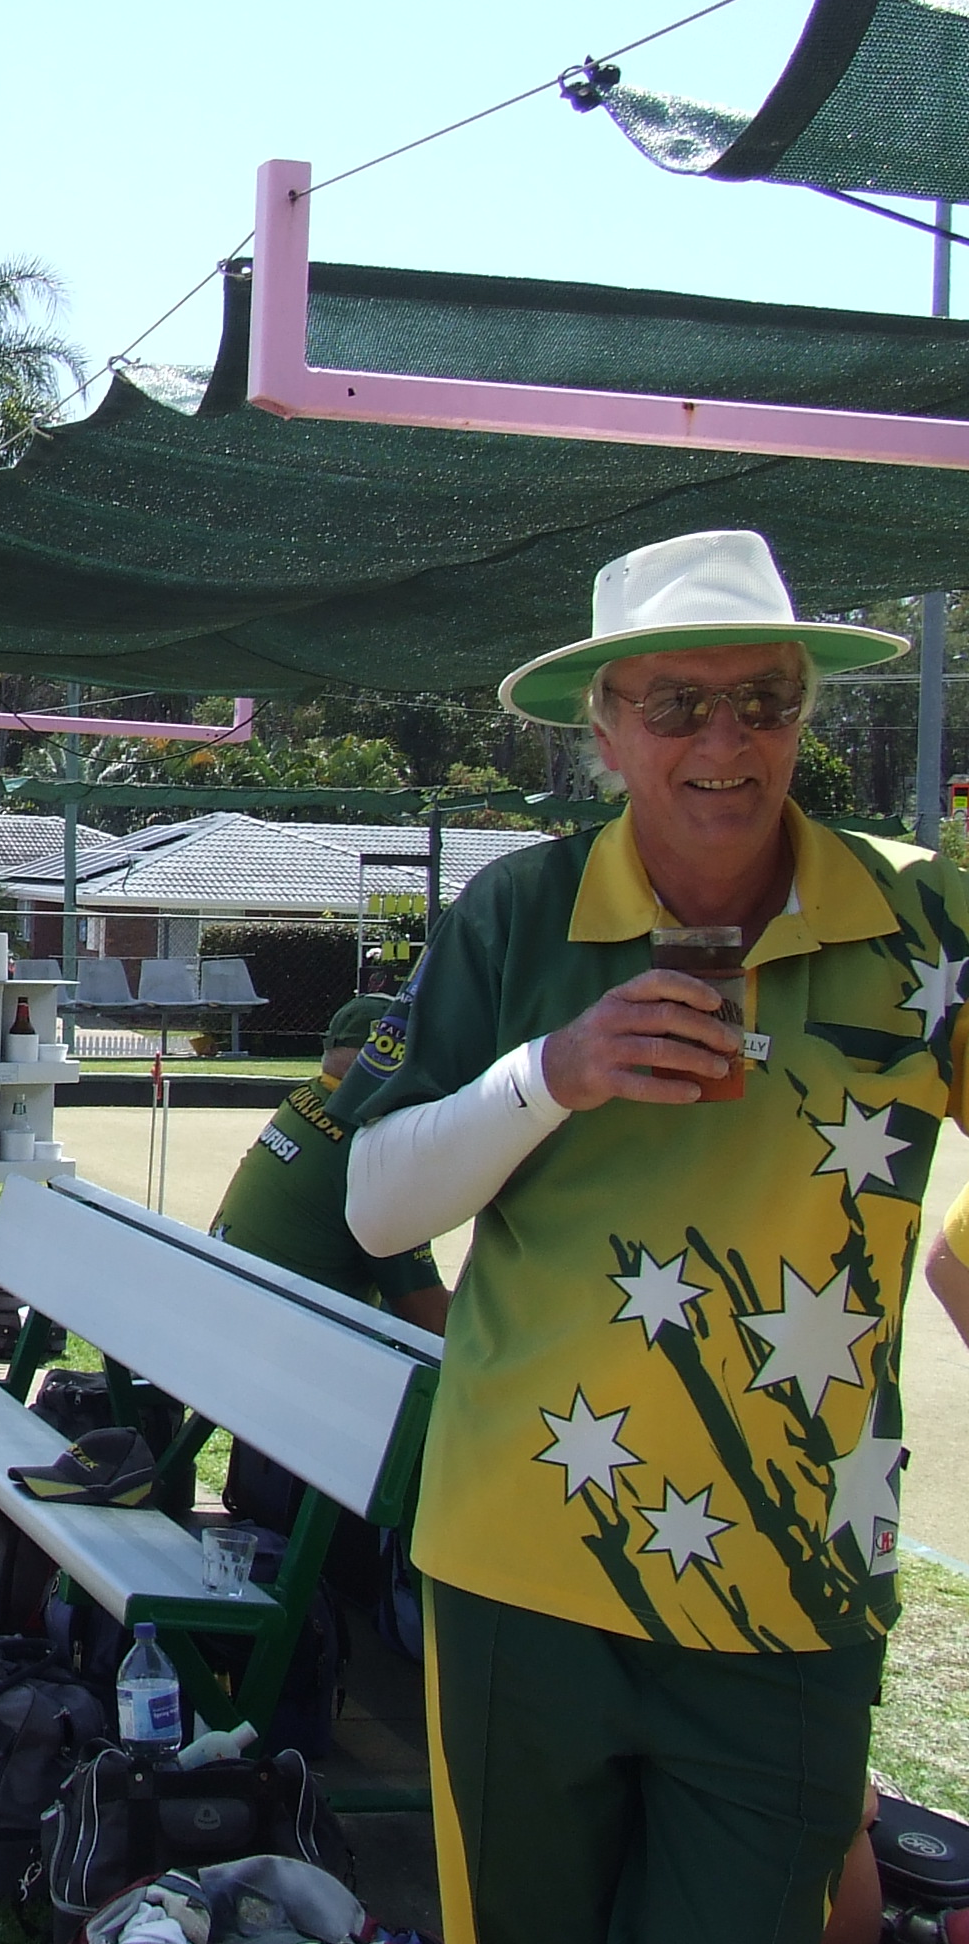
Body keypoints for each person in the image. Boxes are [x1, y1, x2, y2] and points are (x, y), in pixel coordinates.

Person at [335, 529, 959, 1944]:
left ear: (804, 714)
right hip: (524, 1564)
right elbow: (374, 1207)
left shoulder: (928, 916)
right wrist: (552, 1073)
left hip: (799, 1579)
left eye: (765, 700)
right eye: (678, 704)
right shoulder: (520, 912)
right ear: (606, 731)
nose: (725, 741)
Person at [209, 993, 447, 1335]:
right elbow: (431, 1319)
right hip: (281, 1343)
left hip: (231, 1307)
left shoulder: (304, 1097)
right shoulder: (372, 1151)